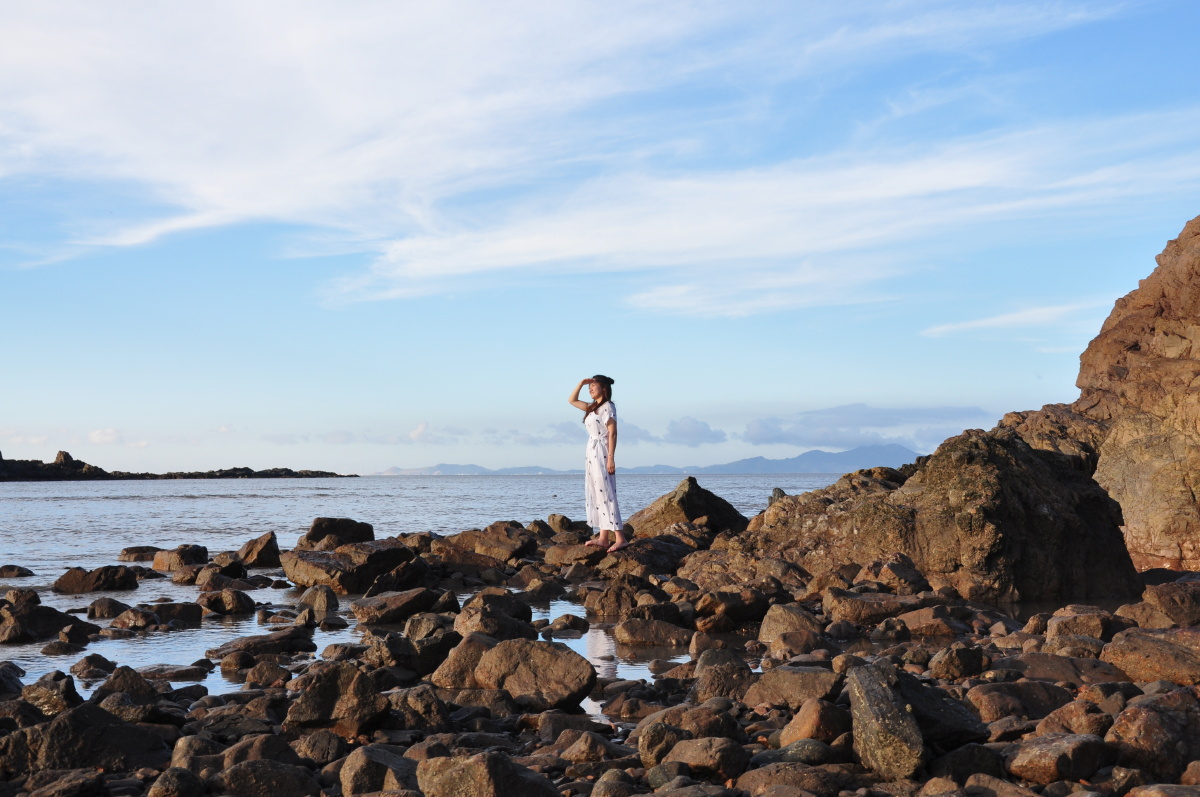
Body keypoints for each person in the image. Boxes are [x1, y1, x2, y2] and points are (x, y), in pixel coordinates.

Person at [569, 375, 627, 552]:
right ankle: (603, 538)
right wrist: (580, 383)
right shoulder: (592, 407)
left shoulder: (608, 406)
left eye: (594, 386)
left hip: (602, 451)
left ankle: (621, 538)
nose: (590, 389)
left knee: (607, 492)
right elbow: (572, 400)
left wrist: (611, 457)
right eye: (590, 387)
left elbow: (613, 433)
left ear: (604, 388)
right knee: (597, 493)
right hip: (591, 452)